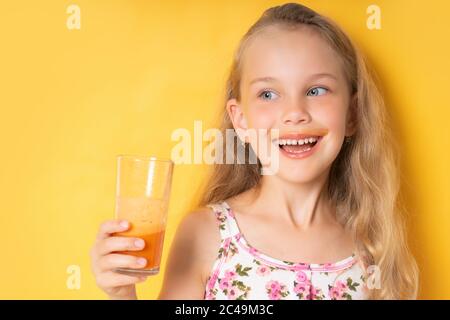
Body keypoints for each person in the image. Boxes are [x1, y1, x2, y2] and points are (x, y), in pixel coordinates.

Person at [90, 2, 419, 300]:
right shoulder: (207, 235)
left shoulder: (375, 248)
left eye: (317, 90)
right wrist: (122, 295)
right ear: (241, 120)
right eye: (268, 94)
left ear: (352, 114)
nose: (294, 112)